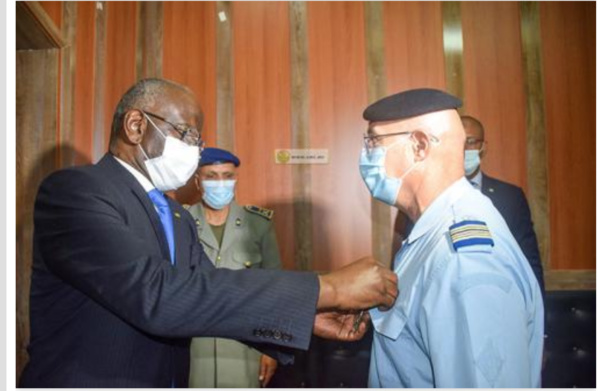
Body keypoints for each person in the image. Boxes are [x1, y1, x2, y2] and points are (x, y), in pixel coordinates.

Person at [19, 78, 398, 387]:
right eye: (186, 134)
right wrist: (326, 287)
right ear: (136, 125)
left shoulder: (175, 216)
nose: (194, 151)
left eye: (197, 141)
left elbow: (206, 290)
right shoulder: (76, 191)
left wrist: (310, 314)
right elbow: (159, 295)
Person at [360, 88, 544, 387]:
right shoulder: (431, 233)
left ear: (419, 145)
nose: (366, 154)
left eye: (374, 141)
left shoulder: (466, 258)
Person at [186, 147, 281, 388]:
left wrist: (271, 349)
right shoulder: (182, 222)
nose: (221, 183)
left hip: (244, 346)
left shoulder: (258, 224)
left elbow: (275, 290)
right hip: (192, 347)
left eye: (228, 176)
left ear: (235, 179)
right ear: (198, 181)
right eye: (211, 175)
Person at [462, 114, 545, 296]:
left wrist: (537, 319)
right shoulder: (432, 197)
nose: (464, 148)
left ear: (483, 147)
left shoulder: (511, 197)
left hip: (501, 300)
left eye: (471, 141)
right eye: (459, 142)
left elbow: (529, 260)